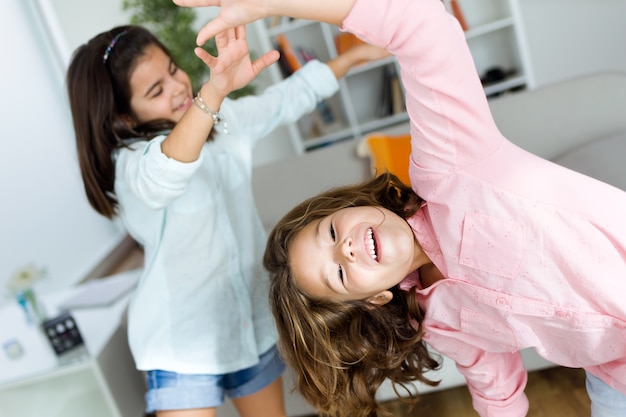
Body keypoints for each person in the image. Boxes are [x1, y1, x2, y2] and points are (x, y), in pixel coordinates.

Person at [173, 0, 626, 417]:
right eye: (340, 274)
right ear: (374, 297)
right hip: (614, 376)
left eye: (331, 233)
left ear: (349, 206)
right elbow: (495, 383)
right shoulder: (437, 323)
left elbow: (424, 29)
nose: (346, 250)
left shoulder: (451, 168)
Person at [66, 22, 390, 417]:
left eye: (172, 70)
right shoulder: (132, 164)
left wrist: (355, 56)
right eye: (156, 90)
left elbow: (291, 96)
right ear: (123, 118)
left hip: (249, 328)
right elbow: (165, 173)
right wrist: (213, 92)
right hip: (181, 346)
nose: (178, 86)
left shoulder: (227, 122)